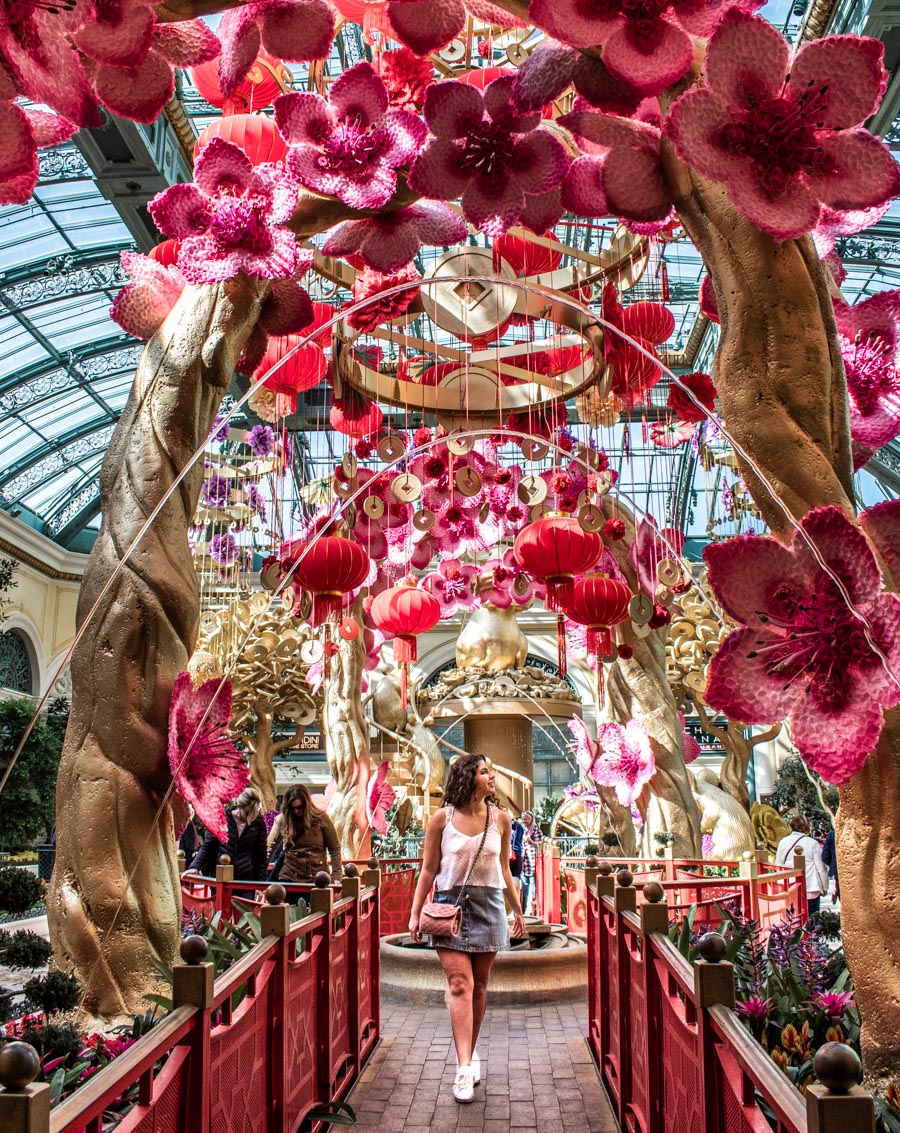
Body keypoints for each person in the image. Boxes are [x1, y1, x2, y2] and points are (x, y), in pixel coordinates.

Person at [408, 753, 526, 1104]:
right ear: (467, 778)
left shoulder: (501, 819)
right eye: (485, 771)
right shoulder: (441, 819)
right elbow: (428, 870)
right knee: (460, 984)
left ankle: (470, 1052)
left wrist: (518, 910)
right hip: (449, 907)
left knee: (480, 987)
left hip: (489, 905)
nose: (492, 776)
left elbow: (505, 871)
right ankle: (462, 1069)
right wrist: (416, 912)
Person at [186, 787, 268, 898]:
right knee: (220, 912)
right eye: (247, 813)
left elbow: (261, 855)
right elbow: (208, 845)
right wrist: (195, 866)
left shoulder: (258, 823)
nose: (250, 818)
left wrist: (260, 884)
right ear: (239, 806)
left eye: (254, 813)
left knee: (245, 913)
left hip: (246, 880)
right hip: (221, 878)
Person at [267, 783, 342, 900]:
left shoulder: (321, 819)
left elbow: (334, 848)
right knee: (289, 914)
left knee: (318, 915)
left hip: (317, 878)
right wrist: (259, 878)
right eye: (293, 808)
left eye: (300, 807)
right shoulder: (283, 820)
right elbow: (269, 848)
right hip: (289, 877)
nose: (296, 811)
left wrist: (337, 878)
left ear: (306, 804)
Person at [775, 814, 829, 915]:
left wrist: (780, 886)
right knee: (812, 919)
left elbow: (779, 865)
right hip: (811, 887)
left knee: (793, 917)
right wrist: (825, 886)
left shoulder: (783, 842)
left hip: (790, 887)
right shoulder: (812, 843)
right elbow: (821, 868)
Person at [520, 811, 542, 916]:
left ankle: (534, 911)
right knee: (524, 886)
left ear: (531, 819)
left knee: (533, 886)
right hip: (525, 861)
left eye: (526, 819)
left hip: (532, 860)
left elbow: (539, 845)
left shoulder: (536, 830)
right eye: (523, 819)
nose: (524, 821)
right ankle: (523, 911)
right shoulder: (524, 830)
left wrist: (530, 841)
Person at [821, 826, 839, 902]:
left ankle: (836, 889)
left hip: (838, 871)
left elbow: (825, 857)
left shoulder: (832, 835)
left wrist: (833, 864)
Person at [509, 815, 524, 881]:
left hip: (506, 854)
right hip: (517, 853)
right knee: (516, 876)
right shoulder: (519, 826)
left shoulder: (504, 825)